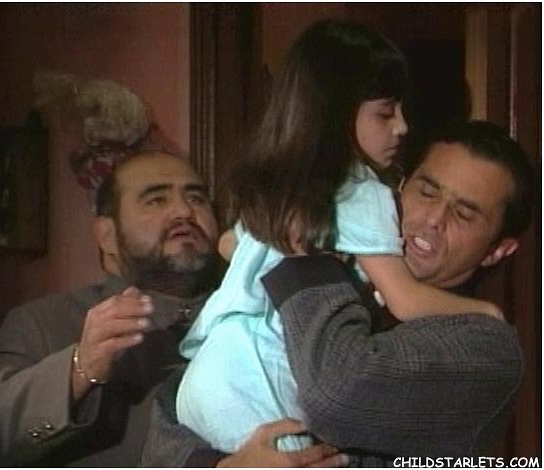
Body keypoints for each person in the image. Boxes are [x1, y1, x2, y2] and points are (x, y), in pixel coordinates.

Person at [174, 20, 501, 456]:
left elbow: (228, 244)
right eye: (386, 113)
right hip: (261, 377)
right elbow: (404, 299)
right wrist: (487, 313)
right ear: (336, 114)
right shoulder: (362, 191)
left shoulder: (283, 181)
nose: (402, 127)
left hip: (207, 372)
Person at [141, 119, 534, 467]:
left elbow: (337, 394)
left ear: (499, 250)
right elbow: (167, 420)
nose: (433, 220)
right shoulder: (340, 271)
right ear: (399, 188)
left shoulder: (486, 345)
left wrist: (300, 253)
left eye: (464, 214)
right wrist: (221, 466)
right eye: (427, 193)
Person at [0, 148, 223, 466]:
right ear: (107, 235)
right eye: (156, 200)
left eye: (196, 198)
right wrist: (81, 368)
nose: (184, 212)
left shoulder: (254, 312)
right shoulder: (46, 321)